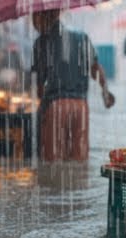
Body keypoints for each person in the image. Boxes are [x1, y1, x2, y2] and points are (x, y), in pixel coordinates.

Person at [31, 10, 114, 162]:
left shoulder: (41, 43)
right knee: (79, 162)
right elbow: (95, 69)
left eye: (34, 16)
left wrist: (42, 108)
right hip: (80, 107)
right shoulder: (81, 37)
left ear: (41, 17)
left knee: (52, 162)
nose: (32, 22)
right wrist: (106, 92)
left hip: (56, 106)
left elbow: (40, 88)